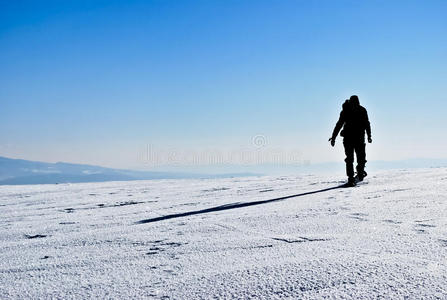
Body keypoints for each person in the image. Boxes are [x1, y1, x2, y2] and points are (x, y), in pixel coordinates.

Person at [329, 95, 372, 186]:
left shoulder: (357, 110)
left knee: (353, 158)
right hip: (355, 138)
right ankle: (354, 176)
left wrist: (369, 135)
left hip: (352, 138)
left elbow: (339, 124)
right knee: (355, 158)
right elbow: (339, 124)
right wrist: (333, 137)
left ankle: (356, 175)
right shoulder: (356, 110)